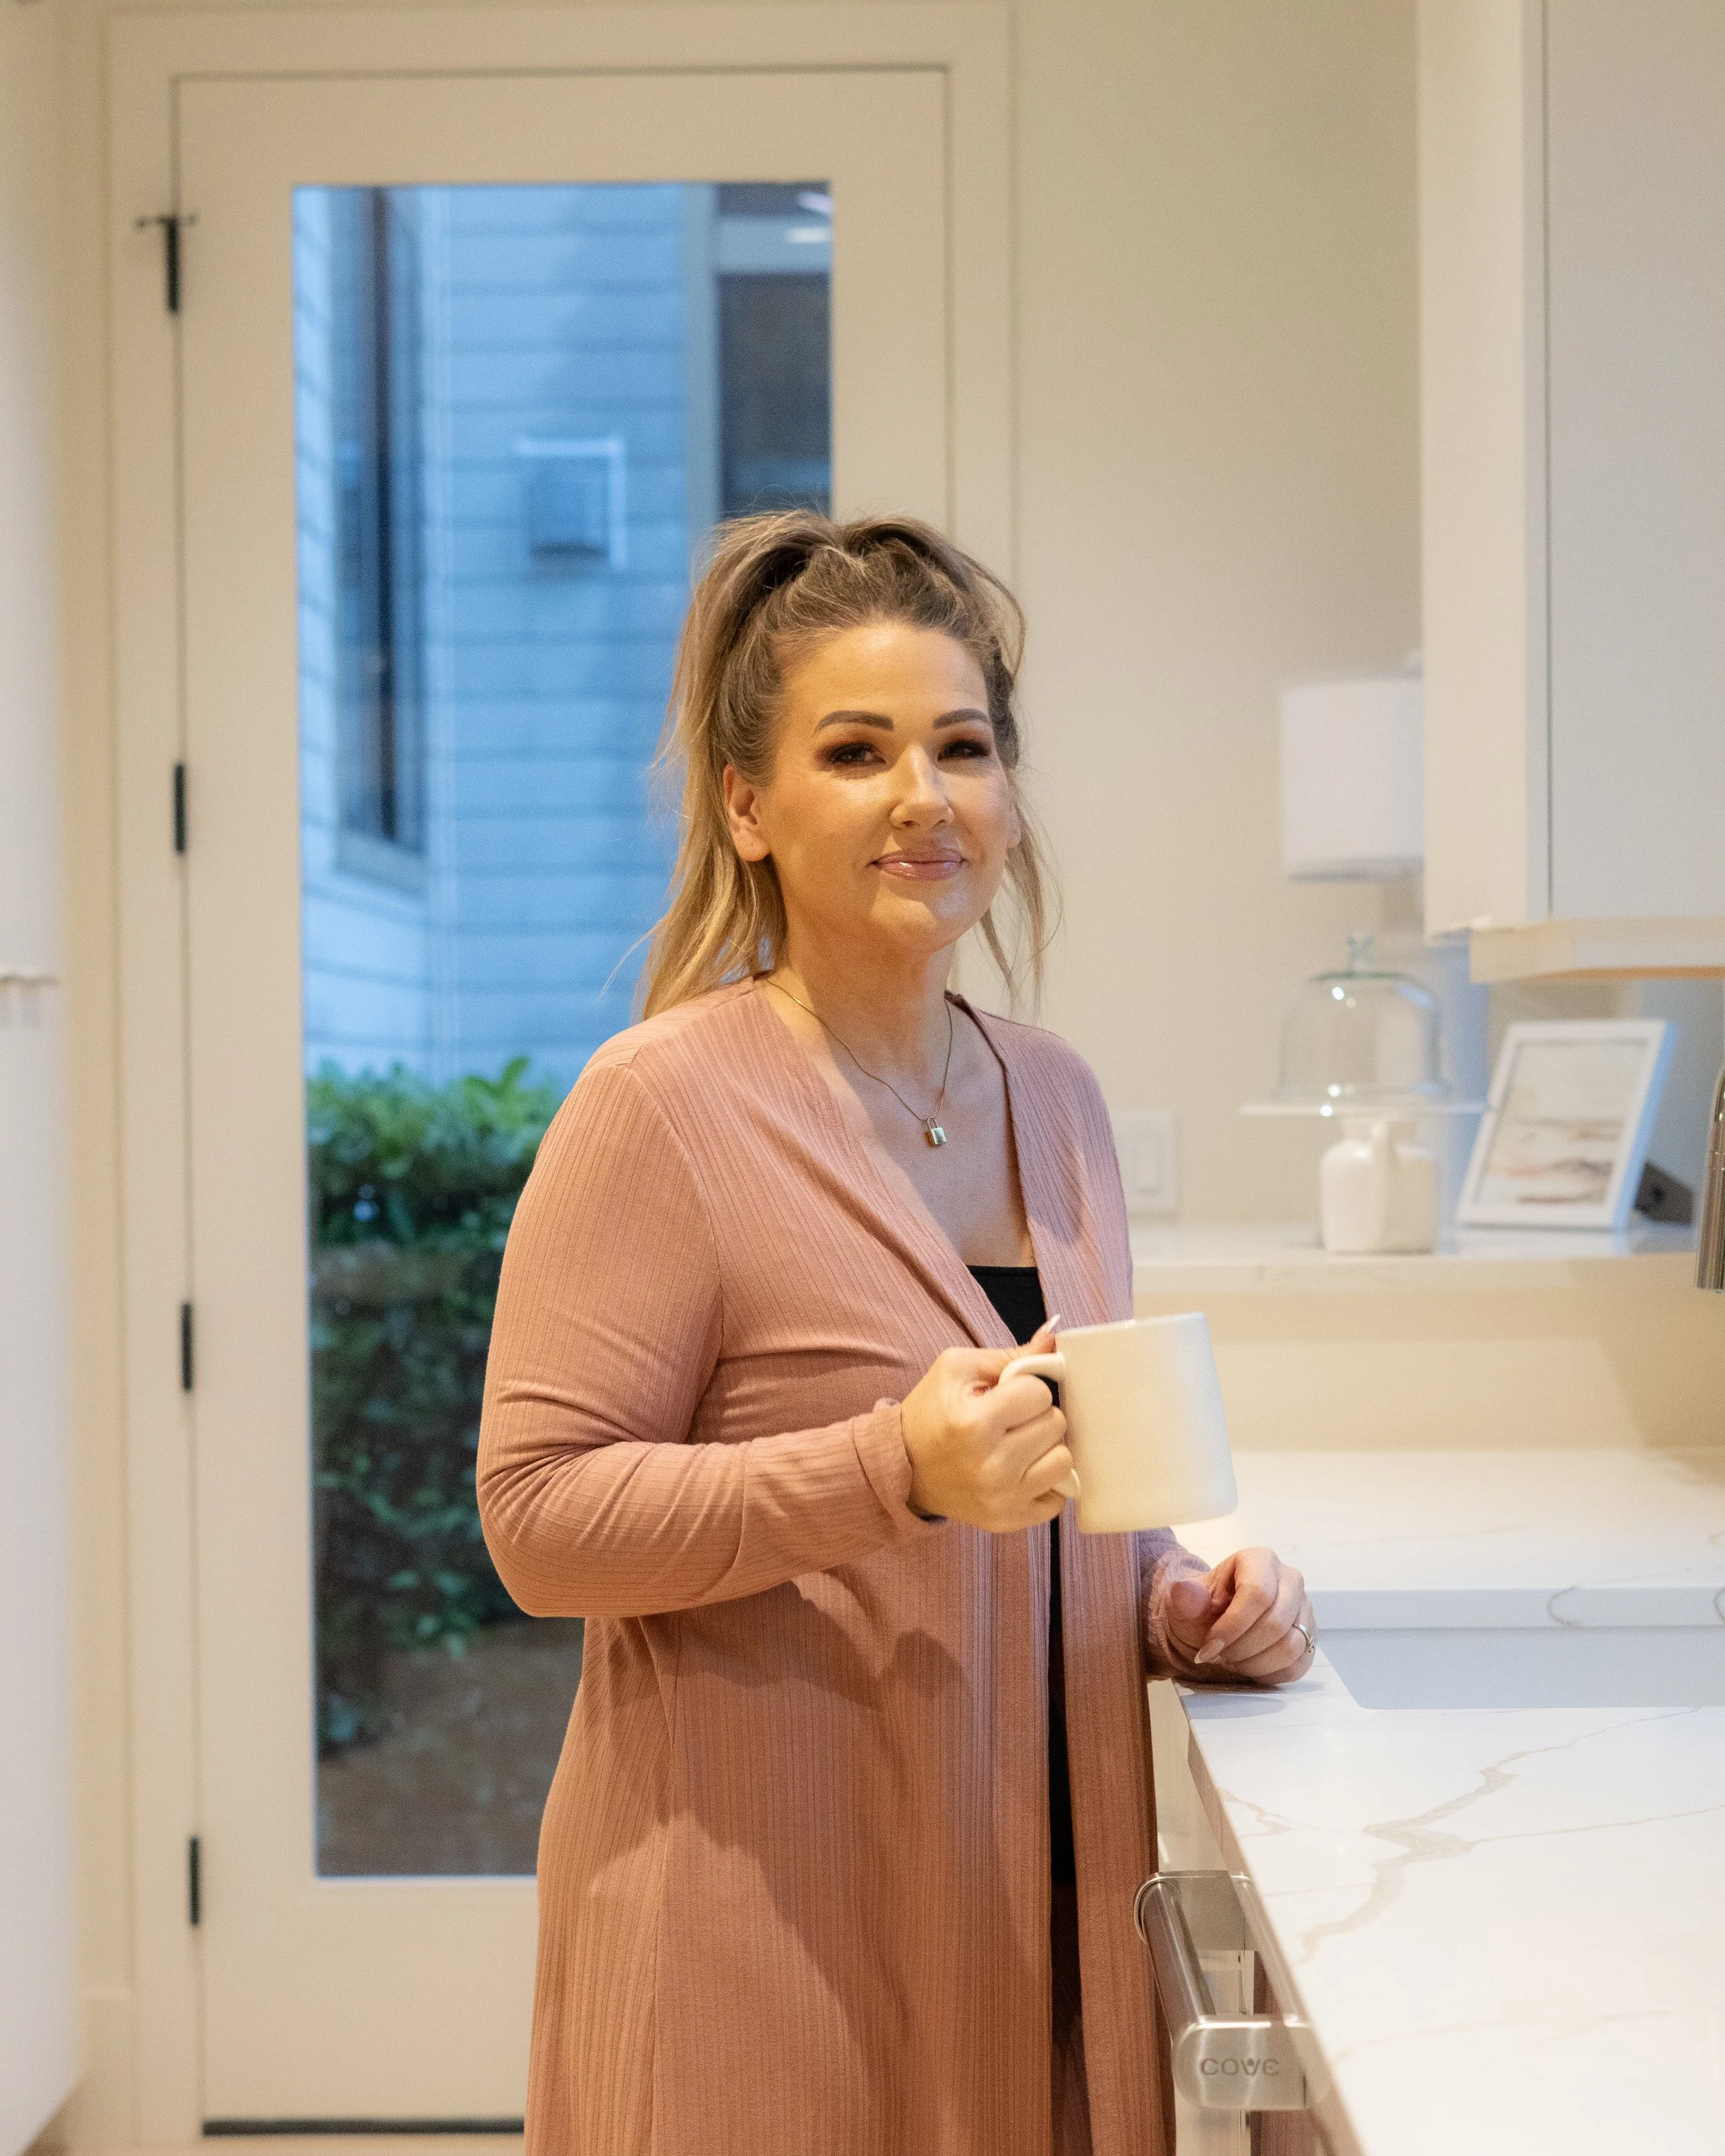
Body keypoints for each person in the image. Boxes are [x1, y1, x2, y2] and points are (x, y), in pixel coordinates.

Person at [477, 513, 1315, 2156]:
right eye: (853, 752)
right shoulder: (657, 1105)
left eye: (960, 747)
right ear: (748, 805)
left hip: (1022, 1910)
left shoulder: (1055, 1099)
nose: (922, 796)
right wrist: (888, 1468)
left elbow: (1057, 1491)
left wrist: (1177, 1601)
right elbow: (537, 1520)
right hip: (760, 1930)